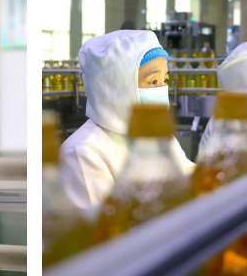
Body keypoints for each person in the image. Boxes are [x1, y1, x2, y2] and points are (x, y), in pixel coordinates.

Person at [58, 30, 195, 210]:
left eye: (166, 80)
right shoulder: (83, 154)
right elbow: (104, 224)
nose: (162, 90)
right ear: (117, 87)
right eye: (153, 82)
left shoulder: (158, 138)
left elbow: (190, 178)